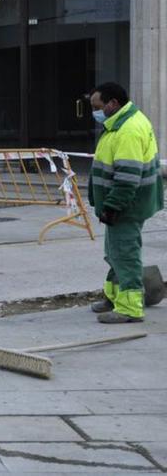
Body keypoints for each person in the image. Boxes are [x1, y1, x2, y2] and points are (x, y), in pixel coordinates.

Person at [88, 82, 162, 324]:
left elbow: (127, 178)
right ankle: (113, 298)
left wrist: (112, 206)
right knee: (114, 253)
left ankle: (130, 308)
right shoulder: (121, 123)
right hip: (126, 205)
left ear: (113, 104)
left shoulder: (128, 130)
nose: (95, 112)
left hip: (126, 207)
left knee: (124, 255)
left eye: (97, 107)